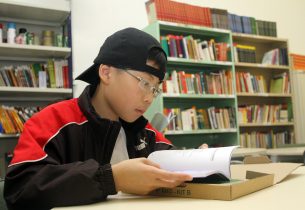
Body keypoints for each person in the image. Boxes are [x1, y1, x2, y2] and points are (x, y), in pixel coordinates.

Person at [3, 28, 194, 210]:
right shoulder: (53, 121)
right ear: (106, 72)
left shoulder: (143, 131)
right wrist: (111, 178)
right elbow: (20, 190)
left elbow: (171, 160)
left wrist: (201, 160)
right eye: (144, 83)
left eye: (155, 89)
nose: (149, 98)